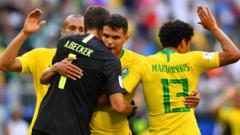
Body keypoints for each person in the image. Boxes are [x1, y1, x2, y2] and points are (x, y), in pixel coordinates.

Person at [122, 5, 240, 135]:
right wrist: (213, 28)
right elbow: (233, 54)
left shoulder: (144, 63)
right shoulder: (193, 59)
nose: (189, 49)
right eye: (189, 45)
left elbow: (120, 98)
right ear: (184, 43)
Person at [90, 14, 201, 135]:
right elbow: (119, 105)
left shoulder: (139, 61)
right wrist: (129, 108)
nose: (109, 42)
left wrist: (190, 96)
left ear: (126, 39)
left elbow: (164, 84)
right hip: (87, 129)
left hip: (120, 131)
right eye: (106, 36)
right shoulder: (88, 56)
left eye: (115, 37)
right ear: (100, 34)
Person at [36, 6, 133, 135]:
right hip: (73, 129)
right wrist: (131, 109)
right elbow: (119, 106)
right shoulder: (109, 60)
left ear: (85, 24)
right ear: (104, 27)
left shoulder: (64, 42)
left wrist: (54, 68)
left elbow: (45, 80)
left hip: (42, 124)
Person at [0, 9, 84, 135]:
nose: (76, 33)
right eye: (72, 28)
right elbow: (4, 64)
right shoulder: (41, 55)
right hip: (41, 130)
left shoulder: (94, 63)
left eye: (81, 30)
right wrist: (25, 33)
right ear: (62, 31)